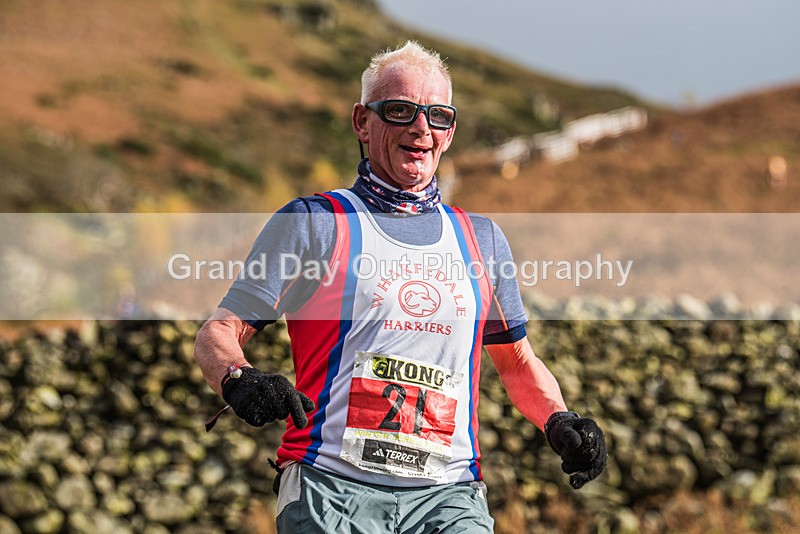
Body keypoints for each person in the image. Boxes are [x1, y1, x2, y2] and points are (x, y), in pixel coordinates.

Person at [195, 40, 606, 533]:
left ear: (450, 132)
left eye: (437, 116)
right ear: (361, 123)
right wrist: (239, 379)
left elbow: (517, 363)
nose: (420, 128)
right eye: (400, 110)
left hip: (448, 495)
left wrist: (560, 420)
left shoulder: (482, 240)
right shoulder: (315, 223)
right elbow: (217, 333)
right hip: (332, 487)